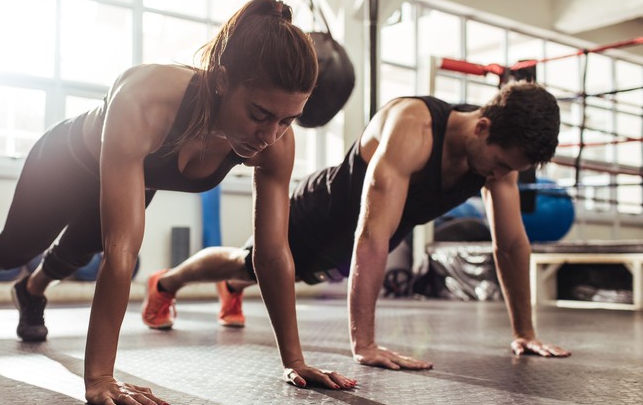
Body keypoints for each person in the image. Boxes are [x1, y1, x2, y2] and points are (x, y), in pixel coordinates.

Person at [0, 0, 356, 405]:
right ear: (223, 80)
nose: (271, 135)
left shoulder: (274, 142)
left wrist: (294, 360)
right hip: (67, 161)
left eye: (287, 120)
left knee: (79, 250)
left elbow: (273, 253)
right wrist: (99, 378)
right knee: (19, 247)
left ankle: (31, 290)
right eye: (260, 114)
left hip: (135, 172)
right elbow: (123, 251)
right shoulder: (147, 97)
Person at [141, 81, 572, 371]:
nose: (499, 176)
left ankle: (232, 290)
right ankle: (166, 283)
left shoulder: (500, 159)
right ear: (483, 128)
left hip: (359, 241)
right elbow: (372, 235)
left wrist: (525, 333)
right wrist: (363, 344)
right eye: (499, 164)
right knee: (249, 264)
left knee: (270, 274)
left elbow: (512, 246)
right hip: (322, 212)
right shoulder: (414, 127)